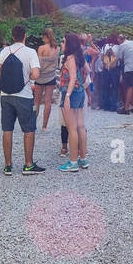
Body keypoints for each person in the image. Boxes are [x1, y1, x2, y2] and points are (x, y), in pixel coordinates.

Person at [0, 24, 43, 174]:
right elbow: (36, 75)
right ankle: (28, 164)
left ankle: (8, 165)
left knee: (7, 130)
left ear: (13, 37)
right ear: (25, 36)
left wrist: (8, 79)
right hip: (24, 95)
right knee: (29, 129)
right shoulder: (31, 52)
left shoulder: (5, 51)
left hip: (6, 96)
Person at [58, 32, 90, 173]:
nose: (61, 44)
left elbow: (71, 78)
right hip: (80, 92)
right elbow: (88, 71)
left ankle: (72, 162)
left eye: (63, 41)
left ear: (69, 44)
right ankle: (83, 159)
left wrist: (67, 97)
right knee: (80, 126)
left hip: (70, 93)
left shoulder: (70, 58)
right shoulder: (79, 57)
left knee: (71, 128)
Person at [35, 26, 61, 132]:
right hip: (51, 76)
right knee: (48, 102)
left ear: (45, 36)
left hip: (40, 77)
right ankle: (44, 126)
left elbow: (38, 64)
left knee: (36, 101)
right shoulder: (57, 48)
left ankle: (33, 123)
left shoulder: (41, 48)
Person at [116, 32, 133, 114]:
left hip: (128, 68)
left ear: (120, 40)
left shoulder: (121, 46)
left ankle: (126, 109)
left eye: (118, 41)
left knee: (129, 88)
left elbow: (120, 59)